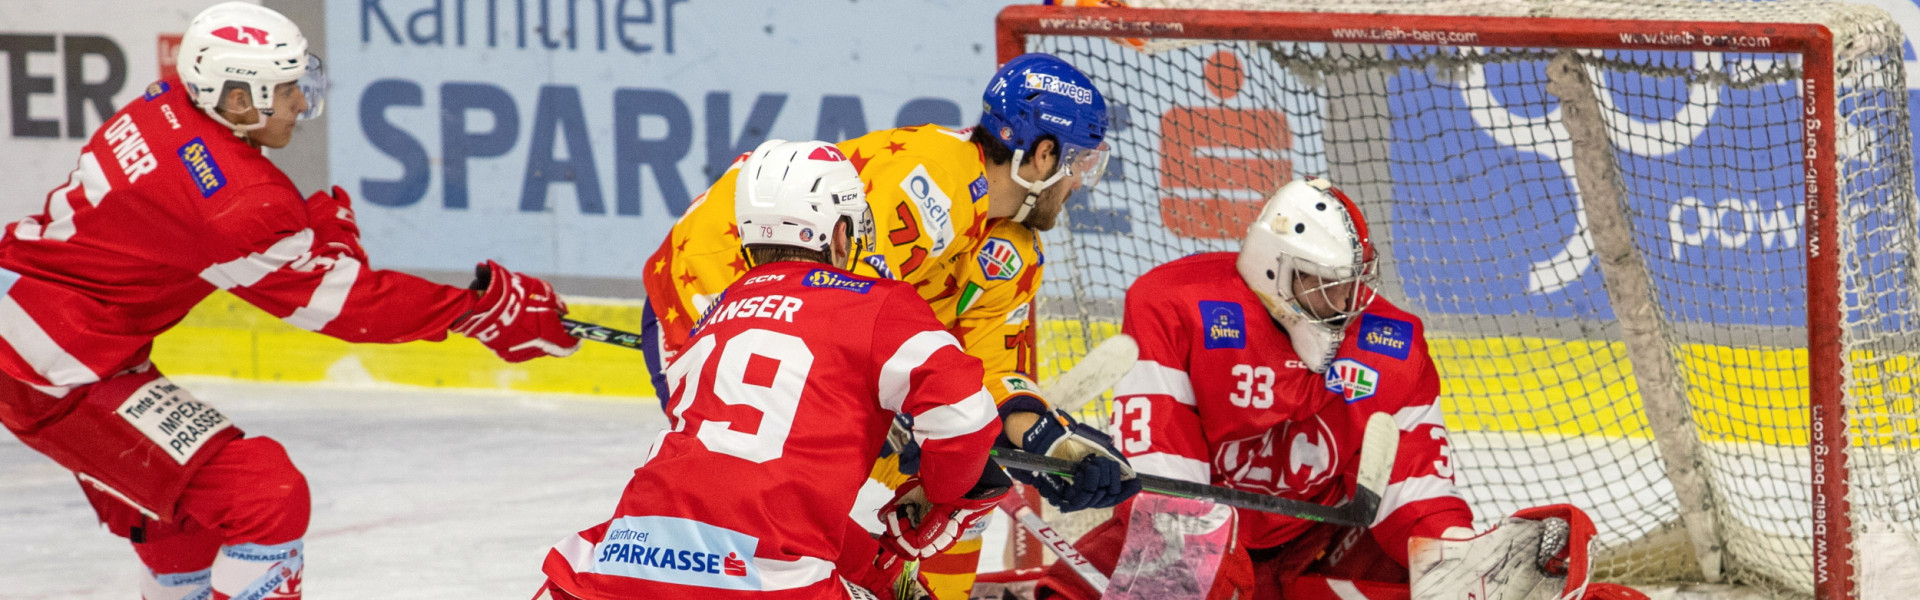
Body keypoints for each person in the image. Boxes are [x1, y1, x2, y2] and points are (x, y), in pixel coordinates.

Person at [0, 4, 578, 599]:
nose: (301, 103)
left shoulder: (165, 101)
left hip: (43, 335)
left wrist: (308, 246)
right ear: (236, 99)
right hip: (53, 370)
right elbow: (344, 305)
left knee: (189, 517)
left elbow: (195, 217)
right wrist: (480, 308)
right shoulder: (236, 204)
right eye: (285, 89)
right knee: (264, 498)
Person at [641, 53, 1141, 597]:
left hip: (819, 335)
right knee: (805, 494)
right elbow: (823, 306)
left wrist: (1050, 442)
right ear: (1043, 156)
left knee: (967, 483)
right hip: (713, 293)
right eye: (1079, 164)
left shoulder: (1013, 251)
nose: (1079, 184)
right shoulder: (931, 183)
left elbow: (987, 375)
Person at [538, 140, 1007, 599]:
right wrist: (942, 494)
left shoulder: (716, 314)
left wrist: (876, 568)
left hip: (615, 568)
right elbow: (966, 417)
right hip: (771, 582)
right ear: (841, 233)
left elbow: (751, 501)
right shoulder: (879, 304)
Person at [1037, 178, 1478, 600]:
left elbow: (1418, 492)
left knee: (1430, 573)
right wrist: (1200, 565)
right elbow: (1168, 500)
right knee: (1106, 583)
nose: (1347, 305)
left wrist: (1465, 561)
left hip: (1315, 550)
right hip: (1205, 542)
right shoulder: (1177, 306)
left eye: (1353, 284)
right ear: (1274, 270)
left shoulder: (1392, 344)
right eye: (1328, 286)